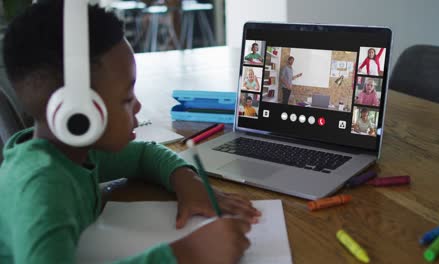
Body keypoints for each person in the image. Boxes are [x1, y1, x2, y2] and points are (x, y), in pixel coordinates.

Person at [0, 2, 260, 264]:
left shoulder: (73, 153)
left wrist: (188, 182)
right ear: (78, 114)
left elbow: (144, 155)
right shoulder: (42, 188)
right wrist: (186, 255)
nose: (137, 105)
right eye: (126, 98)